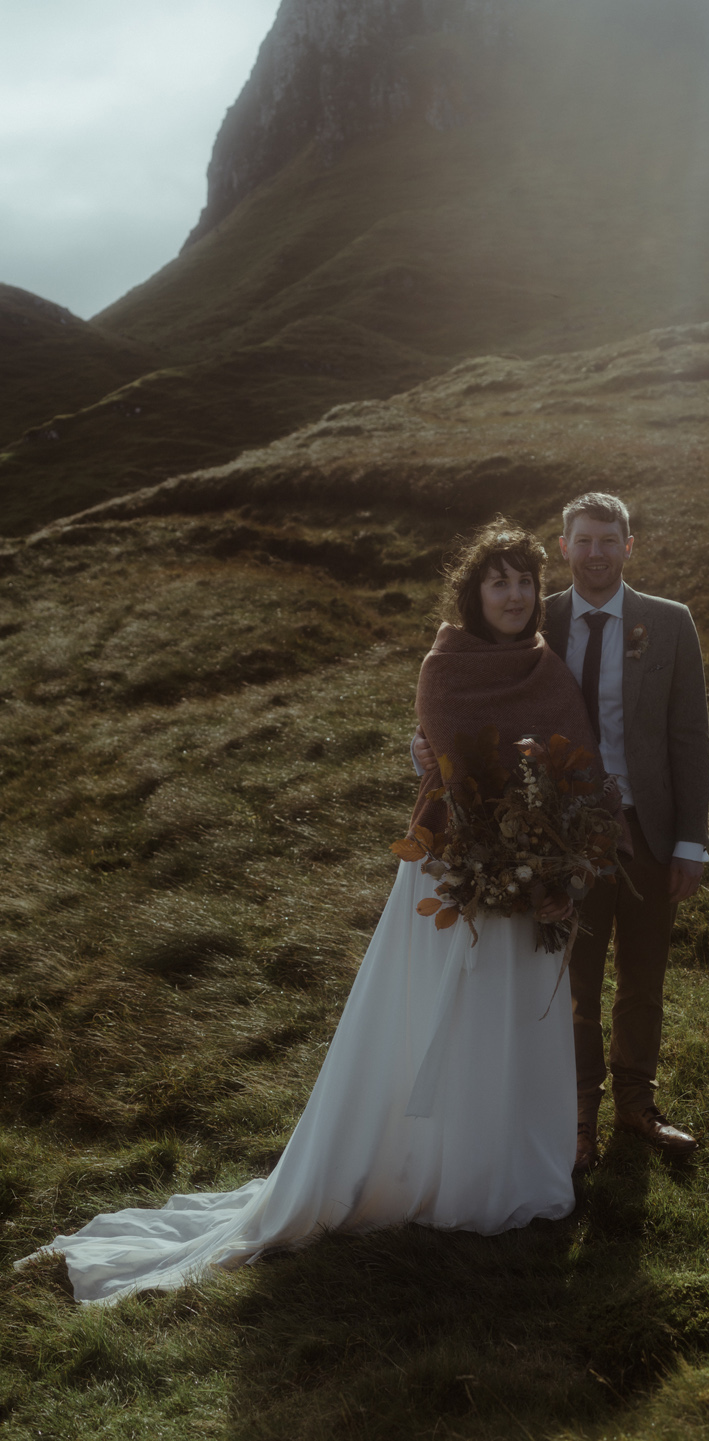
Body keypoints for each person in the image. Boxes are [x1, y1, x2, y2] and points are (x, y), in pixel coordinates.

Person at [17, 521, 606, 1306]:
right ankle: (430, 1169)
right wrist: (484, 840)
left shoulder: (548, 668)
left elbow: (578, 772)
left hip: (531, 882)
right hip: (455, 872)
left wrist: (556, 858)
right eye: (498, 580)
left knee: (513, 1019)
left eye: (526, 582)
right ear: (474, 591)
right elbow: (450, 768)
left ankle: (506, 1165)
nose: (514, 594)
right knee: (446, 1018)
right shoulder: (447, 665)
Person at [417, 494, 709, 1172]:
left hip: (649, 829)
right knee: (569, 978)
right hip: (558, 836)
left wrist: (691, 840)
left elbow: (689, 737)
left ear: (629, 546)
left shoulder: (669, 624)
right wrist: (426, 745)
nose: (598, 552)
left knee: (643, 976)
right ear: (565, 546)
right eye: (585, 541)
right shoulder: (533, 615)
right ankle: (577, 1116)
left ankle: (639, 1105)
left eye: (611, 540)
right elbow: (469, 684)